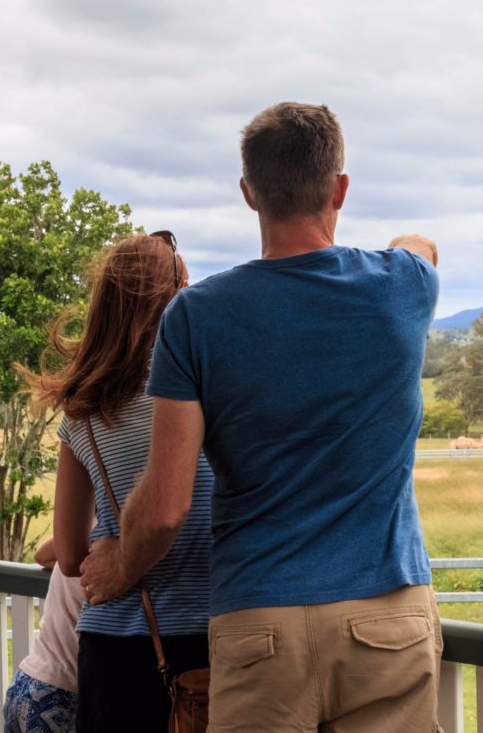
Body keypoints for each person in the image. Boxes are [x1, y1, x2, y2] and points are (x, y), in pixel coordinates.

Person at [83, 102, 442, 731]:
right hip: (386, 611)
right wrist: (395, 250)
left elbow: (166, 506)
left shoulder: (196, 316)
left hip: (259, 621)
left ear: (249, 193)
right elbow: (422, 245)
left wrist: (121, 564)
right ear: (341, 188)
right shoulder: (401, 285)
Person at [18, 233, 214, 732]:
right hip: (205, 641)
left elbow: (68, 554)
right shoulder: (205, 386)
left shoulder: (82, 412)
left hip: (109, 647)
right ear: (178, 294)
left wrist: (117, 543)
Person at [3, 539, 82, 732]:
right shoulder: (115, 555)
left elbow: (43, 555)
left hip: (27, 683)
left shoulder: (85, 533)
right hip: (60, 693)